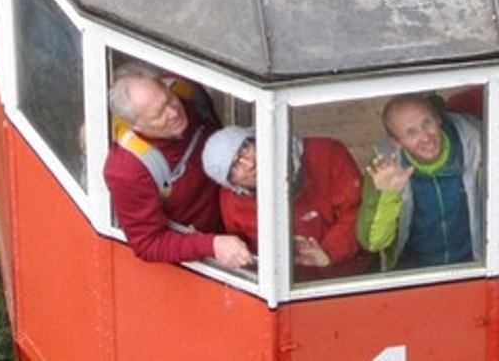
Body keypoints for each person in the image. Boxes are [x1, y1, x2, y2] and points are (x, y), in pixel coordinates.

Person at [102, 63, 252, 270]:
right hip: (217, 243)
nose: (173, 112)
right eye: (158, 114)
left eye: (169, 99)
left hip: (245, 203)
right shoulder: (128, 170)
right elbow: (148, 243)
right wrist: (211, 245)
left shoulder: (188, 94)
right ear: (134, 125)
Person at [356, 94, 499, 270]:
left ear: (438, 119)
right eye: (411, 132)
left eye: (427, 123)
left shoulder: (477, 140)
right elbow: (373, 243)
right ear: (396, 142)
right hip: (415, 270)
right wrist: (389, 196)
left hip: (477, 265)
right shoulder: (385, 164)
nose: (425, 137)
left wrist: (491, 170)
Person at [201, 126, 372, 281]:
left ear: (257, 138)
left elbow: (361, 214)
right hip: (289, 293)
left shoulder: (326, 154)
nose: (250, 164)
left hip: (355, 278)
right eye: (234, 167)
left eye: (245, 148)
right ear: (233, 185)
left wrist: (328, 252)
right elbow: (248, 256)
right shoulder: (231, 201)